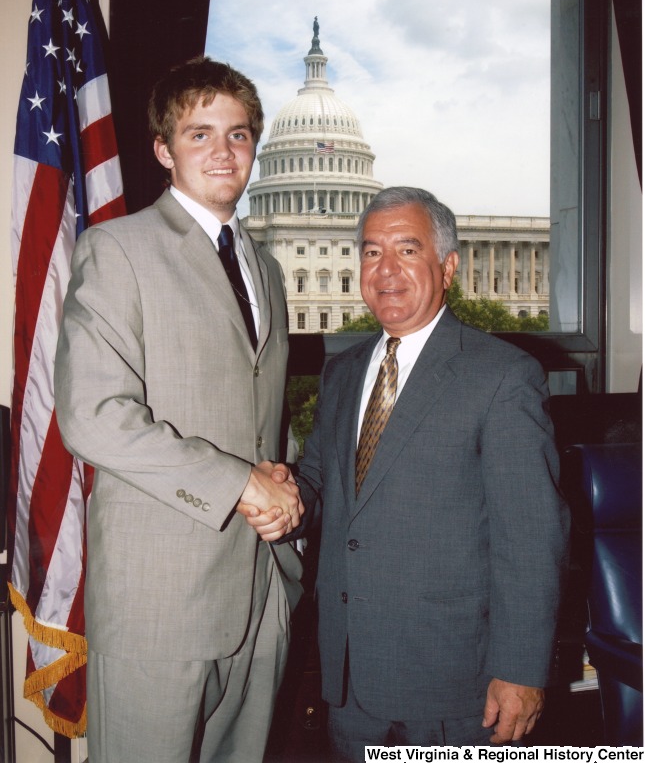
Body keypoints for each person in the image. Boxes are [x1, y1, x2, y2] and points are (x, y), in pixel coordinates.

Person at [247, 186, 570, 758]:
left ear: (447, 266)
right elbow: (324, 486)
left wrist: (521, 670)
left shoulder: (501, 376)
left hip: (456, 685)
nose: (386, 270)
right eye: (371, 252)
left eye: (407, 250)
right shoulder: (343, 373)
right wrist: (287, 496)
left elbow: (530, 538)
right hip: (349, 679)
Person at [54, 56, 303, 763]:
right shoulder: (118, 250)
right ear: (163, 149)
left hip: (260, 588)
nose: (223, 152)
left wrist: (282, 490)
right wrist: (238, 484)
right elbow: (94, 413)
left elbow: (265, 412)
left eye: (239, 134)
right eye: (199, 134)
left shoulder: (266, 268)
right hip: (160, 598)